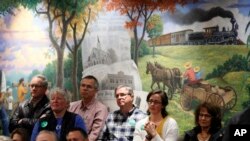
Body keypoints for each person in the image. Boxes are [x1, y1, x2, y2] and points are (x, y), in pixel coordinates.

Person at [68, 75, 108, 141]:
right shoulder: (71, 106)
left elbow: (94, 135)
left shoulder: (101, 109)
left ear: (96, 91)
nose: (85, 88)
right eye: (83, 85)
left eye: (89, 87)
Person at [0, 70, 10, 136]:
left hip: (0, 103)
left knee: (6, 120)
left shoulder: (1, 72)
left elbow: (3, 90)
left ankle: (6, 137)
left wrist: (1, 99)